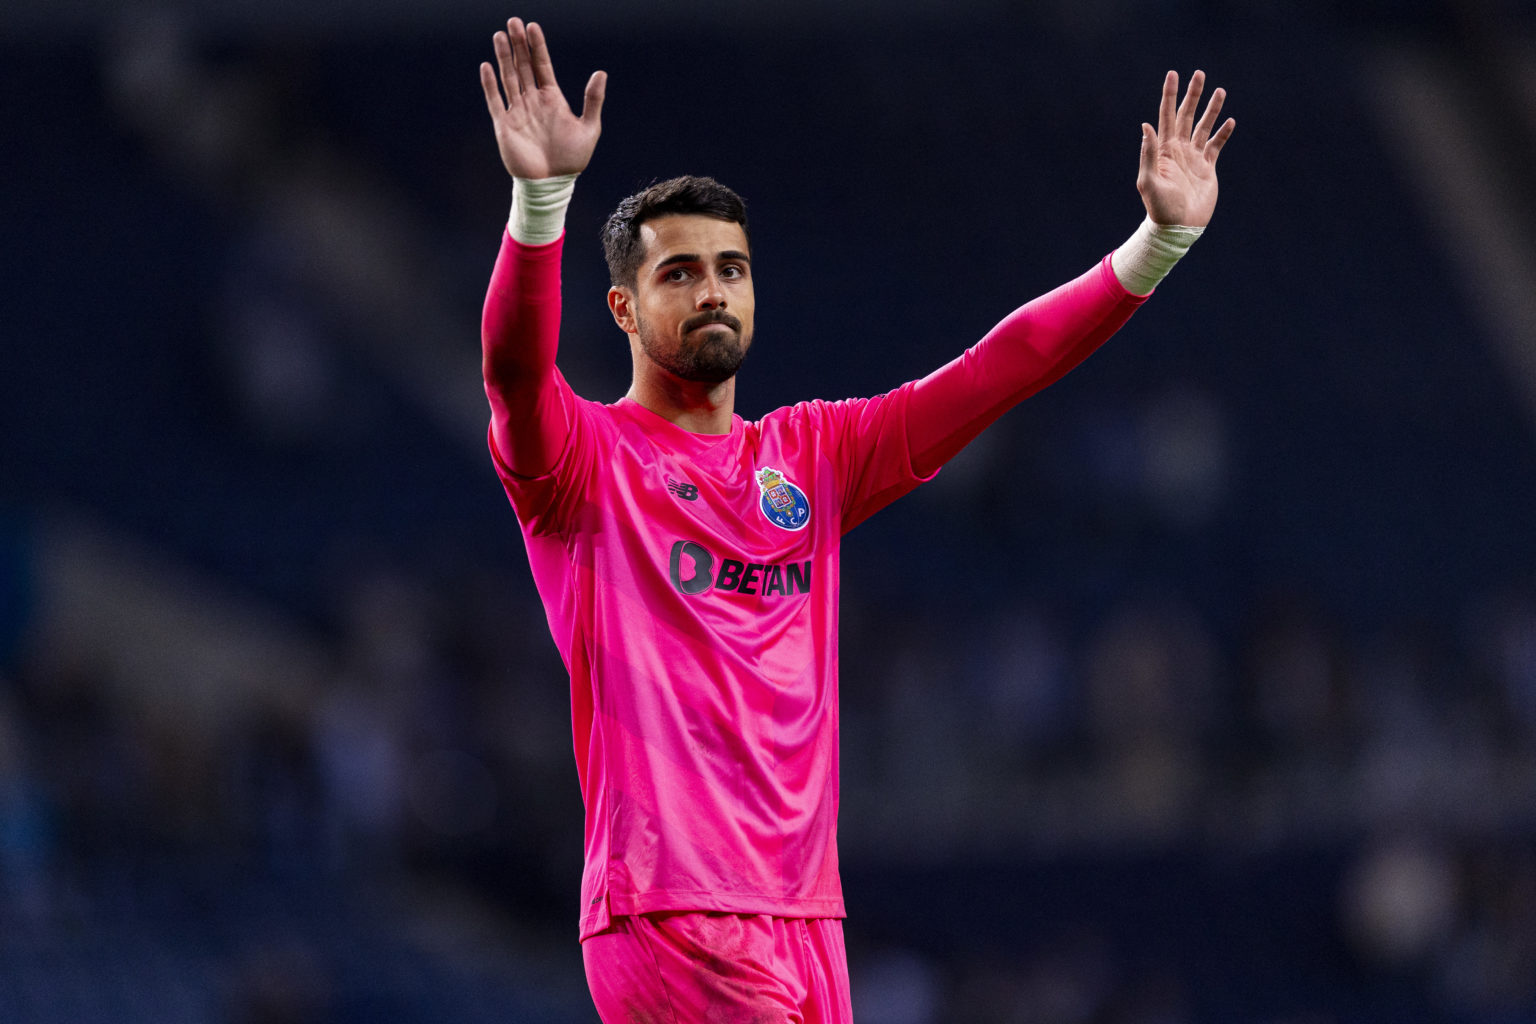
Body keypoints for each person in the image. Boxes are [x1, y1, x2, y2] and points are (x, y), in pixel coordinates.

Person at [477, 16, 1233, 1023]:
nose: (712, 292)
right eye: (679, 272)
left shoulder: (813, 456)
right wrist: (541, 202)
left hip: (807, 919)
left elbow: (994, 371)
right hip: (670, 909)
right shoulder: (583, 465)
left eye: (730, 270)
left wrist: (1158, 244)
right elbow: (514, 374)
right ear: (621, 308)